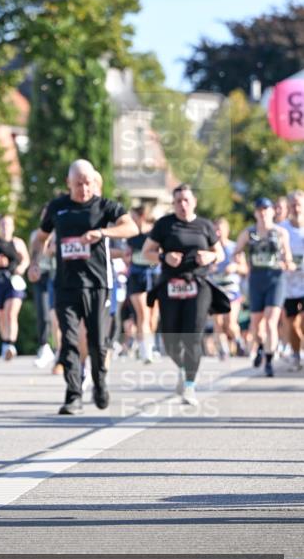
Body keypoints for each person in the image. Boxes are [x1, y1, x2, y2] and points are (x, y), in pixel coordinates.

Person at [29, 159, 138, 415]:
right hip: (66, 285)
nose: (84, 188)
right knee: (67, 340)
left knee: (98, 342)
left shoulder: (105, 206)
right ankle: (73, 394)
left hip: (98, 284)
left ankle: (99, 383)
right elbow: (40, 238)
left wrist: (102, 234)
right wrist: (36, 261)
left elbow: (131, 227)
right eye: (78, 184)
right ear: (69, 183)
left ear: (94, 181)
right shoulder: (58, 208)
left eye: (88, 183)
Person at [143, 184, 226, 405]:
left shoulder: (204, 225)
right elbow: (146, 252)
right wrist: (164, 257)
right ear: (173, 203)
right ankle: (181, 367)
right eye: (178, 201)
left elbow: (220, 253)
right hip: (170, 286)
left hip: (198, 285)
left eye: (186, 200)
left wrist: (210, 257)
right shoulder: (164, 224)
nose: (182, 204)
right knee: (170, 339)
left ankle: (190, 385)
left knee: (193, 335)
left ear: (194, 202)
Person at [234, 197, 294, 377]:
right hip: (256, 279)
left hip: (275, 278)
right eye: (259, 209)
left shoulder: (281, 233)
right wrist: (240, 261)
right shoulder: (248, 233)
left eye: (266, 209)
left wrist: (288, 264)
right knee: (256, 323)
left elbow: (288, 256)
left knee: (271, 321)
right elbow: (237, 252)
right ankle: (260, 346)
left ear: (272, 211)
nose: (263, 213)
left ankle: (269, 361)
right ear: (255, 213)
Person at [0, 215, 30, 359]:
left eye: (8, 224)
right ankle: (5, 344)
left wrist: (22, 267)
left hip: (14, 281)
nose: (5, 227)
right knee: (2, 315)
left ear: (13, 227)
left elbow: (26, 259)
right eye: (3, 224)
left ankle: (10, 344)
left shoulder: (18, 242)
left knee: (11, 313)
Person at [125, 204, 159, 363]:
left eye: (133, 217)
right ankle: (146, 351)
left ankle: (147, 344)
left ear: (141, 217)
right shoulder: (130, 236)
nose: (131, 220)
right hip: (136, 277)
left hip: (154, 276)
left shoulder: (155, 234)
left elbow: (161, 252)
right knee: (142, 314)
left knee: (152, 317)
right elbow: (126, 256)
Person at [210, 217, 246, 359]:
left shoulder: (235, 248)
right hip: (216, 289)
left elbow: (245, 269)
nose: (218, 233)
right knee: (218, 322)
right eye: (215, 230)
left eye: (220, 229)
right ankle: (223, 350)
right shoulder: (210, 249)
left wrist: (236, 267)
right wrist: (210, 269)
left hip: (231, 289)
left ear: (227, 231)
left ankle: (238, 342)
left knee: (230, 322)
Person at [281, 190, 304, 371]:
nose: (296, 208)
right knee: (292, 324)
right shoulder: (282, 229)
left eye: (299, 204)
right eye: (293, 205)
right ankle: (296, 355)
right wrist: (284, 262)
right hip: (289, 285)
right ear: (288, 207)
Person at [28, 226, 57, 368]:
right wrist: (32, 267)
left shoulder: (60, 230)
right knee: (43, 314)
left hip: (56, 276)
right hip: (40, 276)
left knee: (55, 316)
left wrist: (52, 250)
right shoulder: (35, 234)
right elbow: (32, 254)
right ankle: (45, 347)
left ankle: (59, 350)